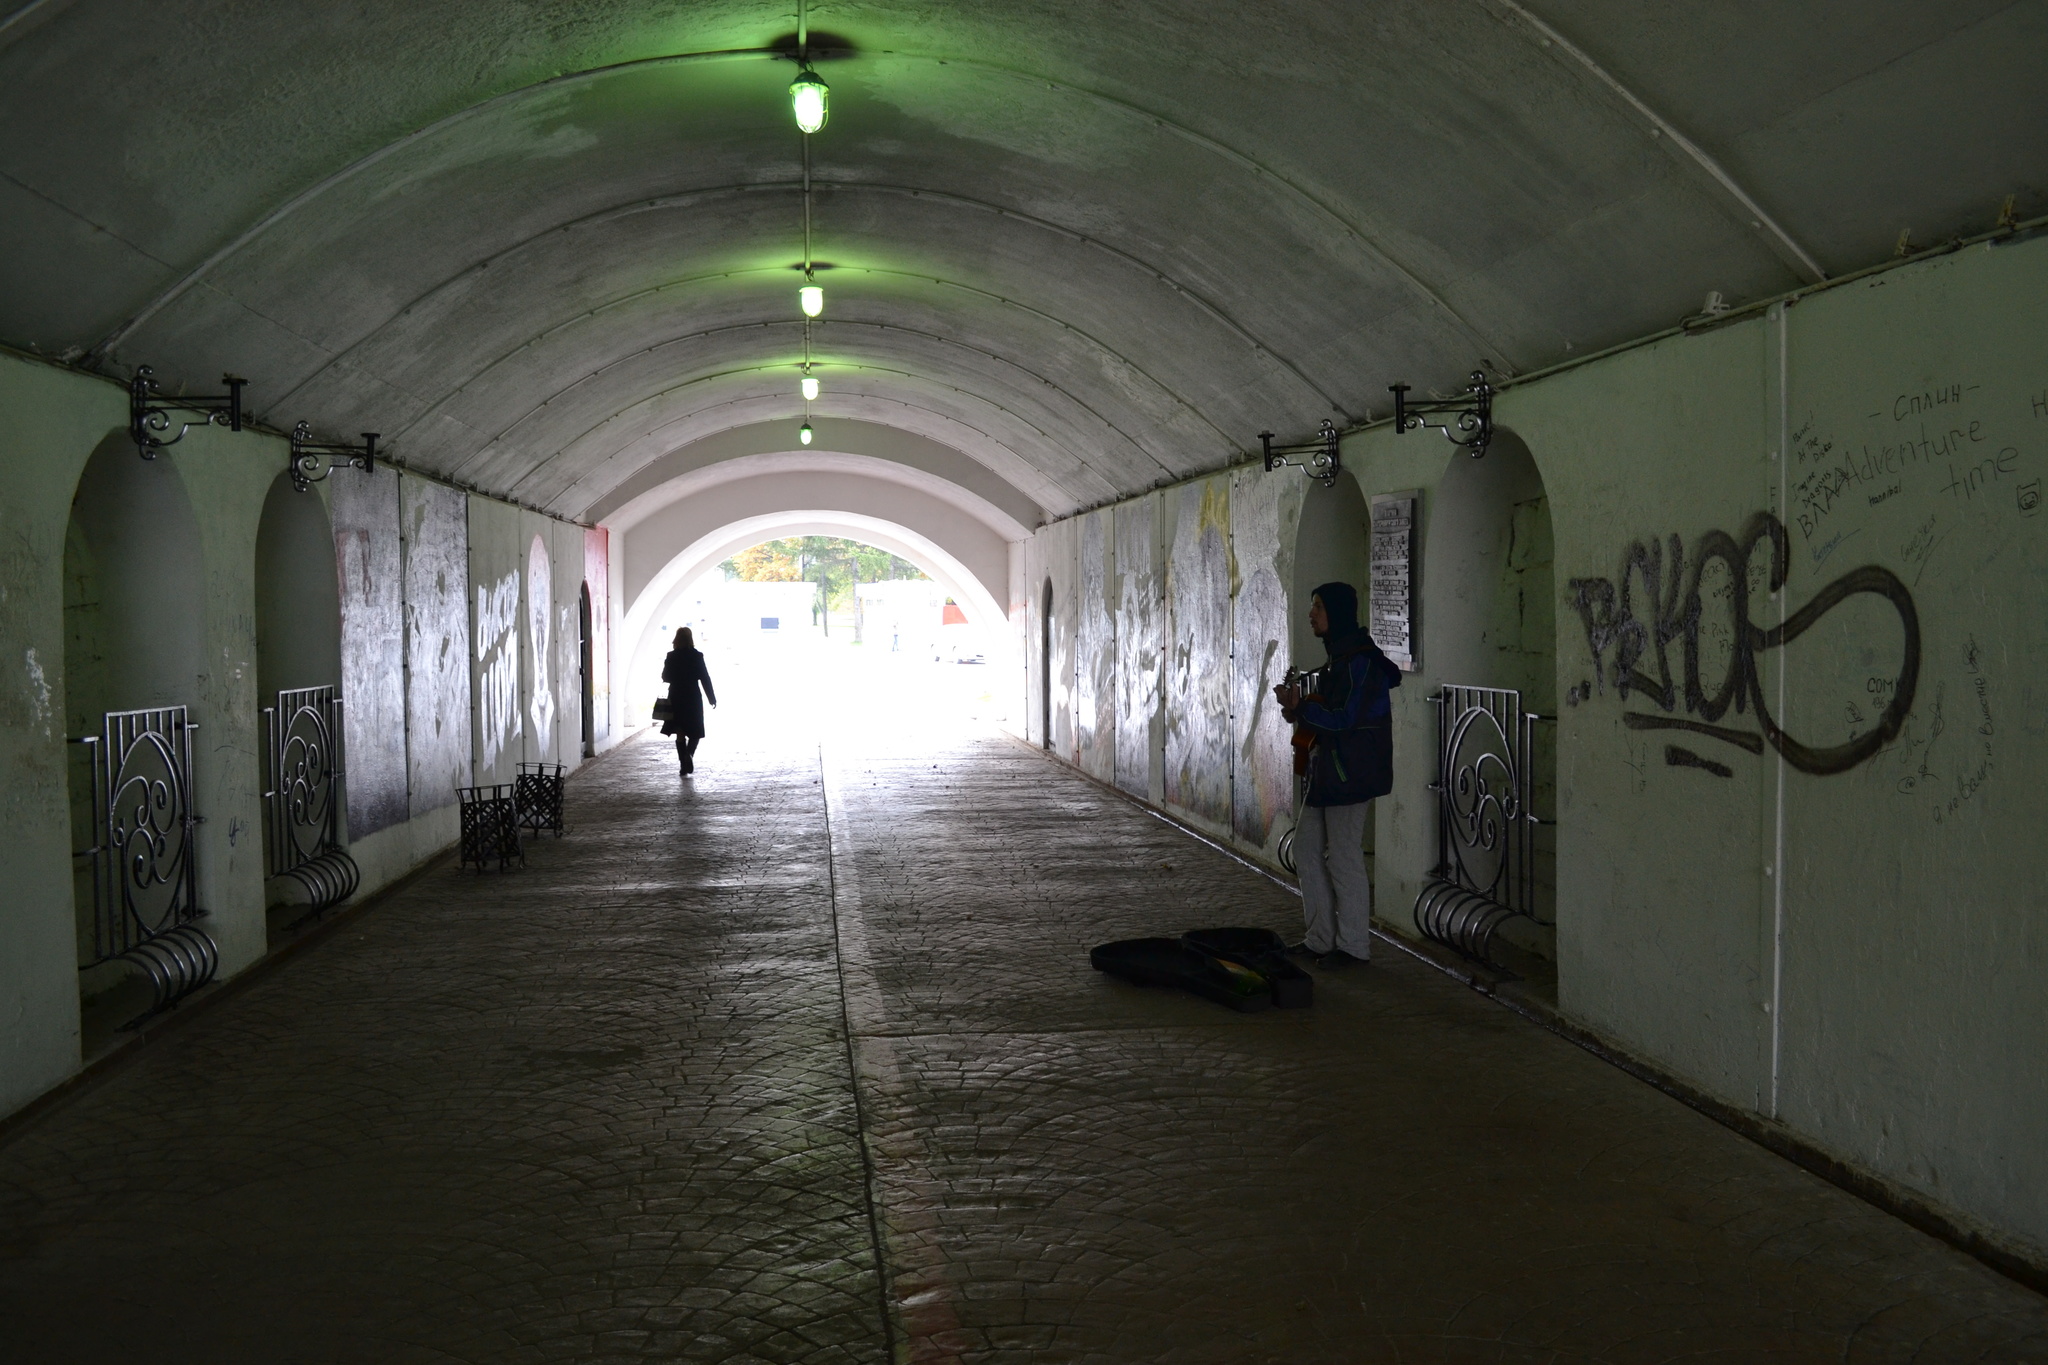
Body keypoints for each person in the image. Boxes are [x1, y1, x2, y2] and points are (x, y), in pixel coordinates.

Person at [1274, 582, 1401, 968]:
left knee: (1344, 858)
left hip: (1351, 773)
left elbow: (1345, 720)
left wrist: (1302, 710)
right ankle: (1320, 939)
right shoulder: (1342, 658)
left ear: (1338, 613)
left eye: (1318, 607)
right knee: (1307, 850)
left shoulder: (1362, 662)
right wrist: (1299, 711)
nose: (1311, 614)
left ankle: (1353, 947)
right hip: (1329, 772)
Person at [660, 627, 717, 775]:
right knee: (695, 730)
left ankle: (683, 765)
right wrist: (711, 697)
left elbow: (665, 677)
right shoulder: (697, 656)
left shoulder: (671, 656)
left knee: (680, 731)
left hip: (676, 695)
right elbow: (705, 677)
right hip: (692, 696)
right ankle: (689, 754)